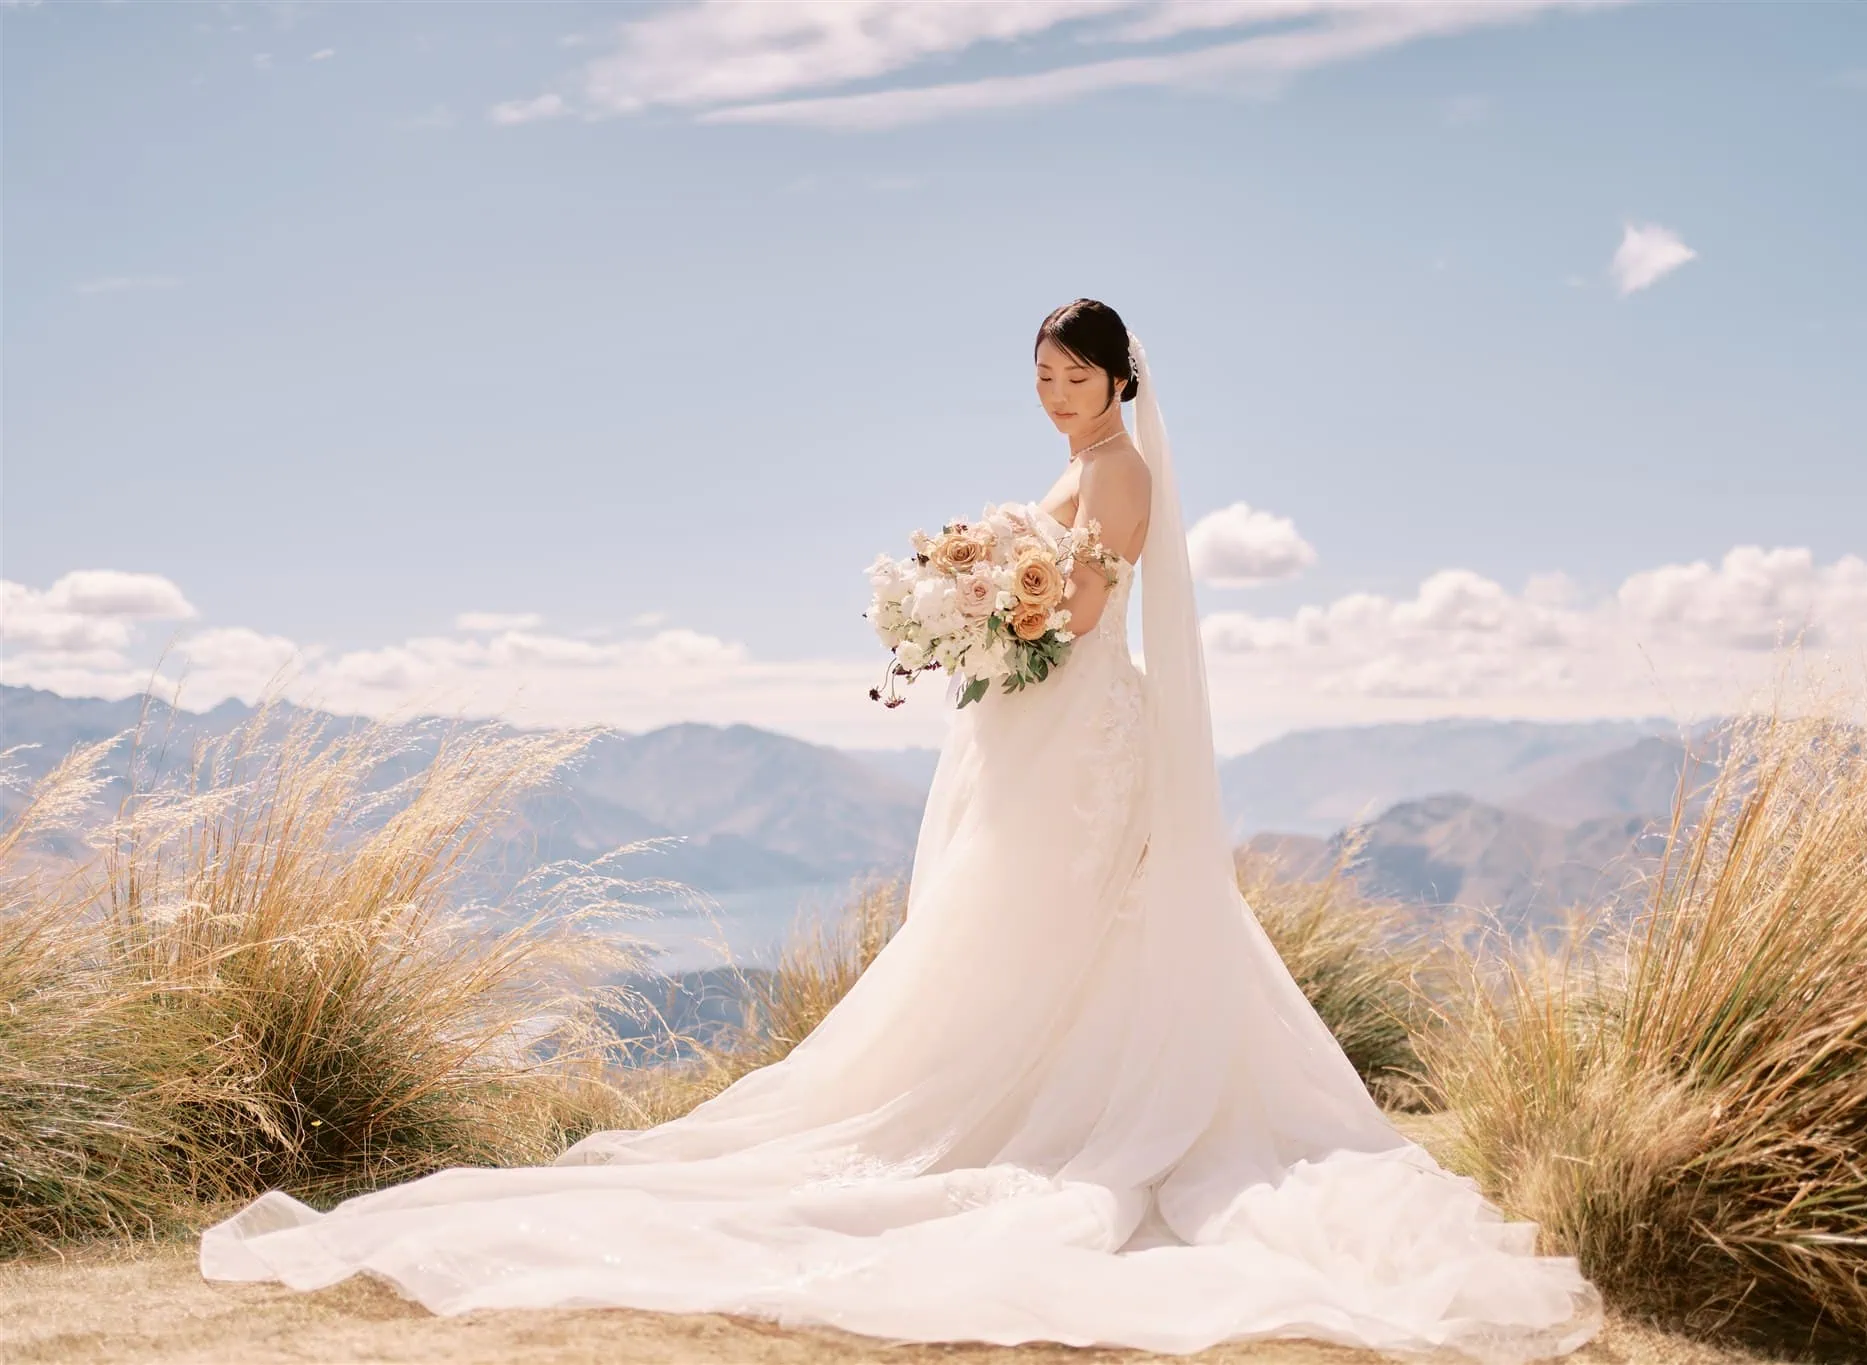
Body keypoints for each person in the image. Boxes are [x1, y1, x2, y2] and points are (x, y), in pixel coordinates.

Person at [201, 299, 1602, 1360]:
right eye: (1040, 380)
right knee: (1013, 925)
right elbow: (1043, 584)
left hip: (1083, 728)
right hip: (1035, 723)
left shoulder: (1121, 474)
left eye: (1071, 377)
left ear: (1121, 379)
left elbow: (1094, 612)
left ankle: (1071, 1110)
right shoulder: (1074, 463)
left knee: (1063, 918)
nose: (1054, 397)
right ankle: (1008, 1092)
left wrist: (998, 600)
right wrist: (967, 591)